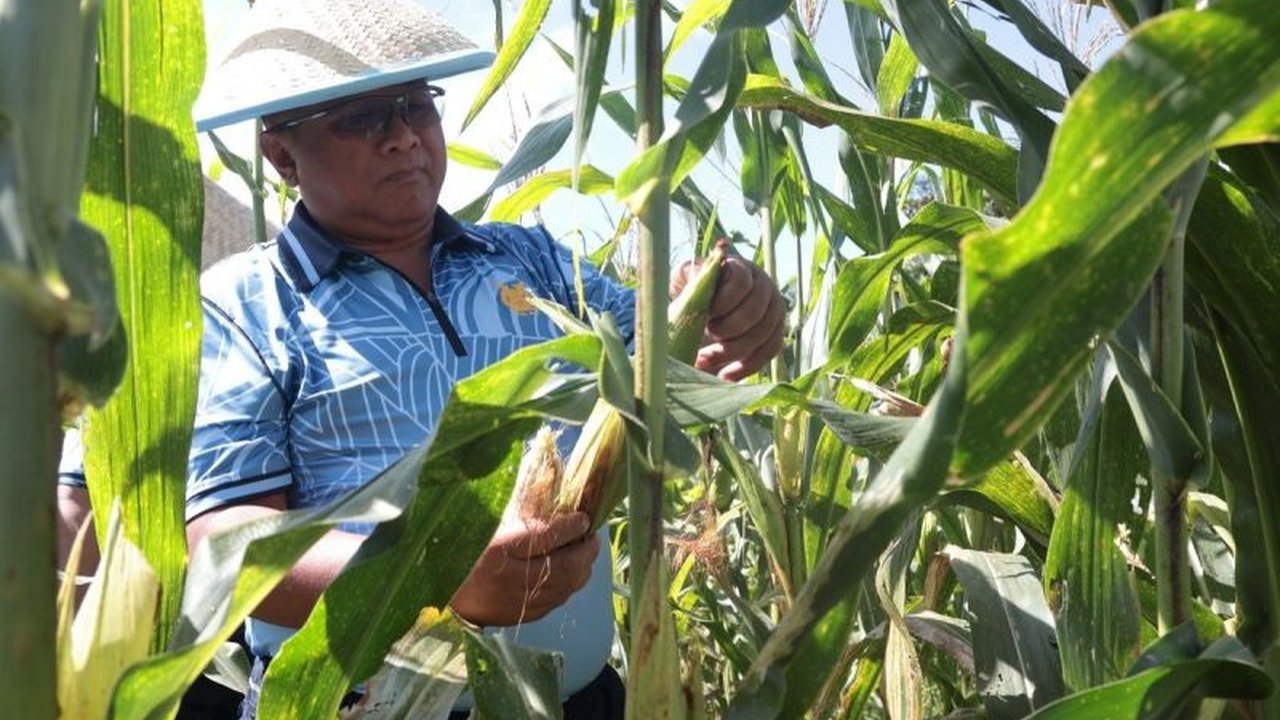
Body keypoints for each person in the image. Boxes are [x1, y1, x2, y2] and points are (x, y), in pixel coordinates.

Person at [187, 0, 785, 718]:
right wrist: (436, 576)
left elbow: (676, 359)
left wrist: (729, 307)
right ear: (283, 156)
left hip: (574, 701)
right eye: (364, 119)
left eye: (416, 106)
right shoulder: (243, 304)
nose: (403, 137)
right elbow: (227, 551)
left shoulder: (531, 261)